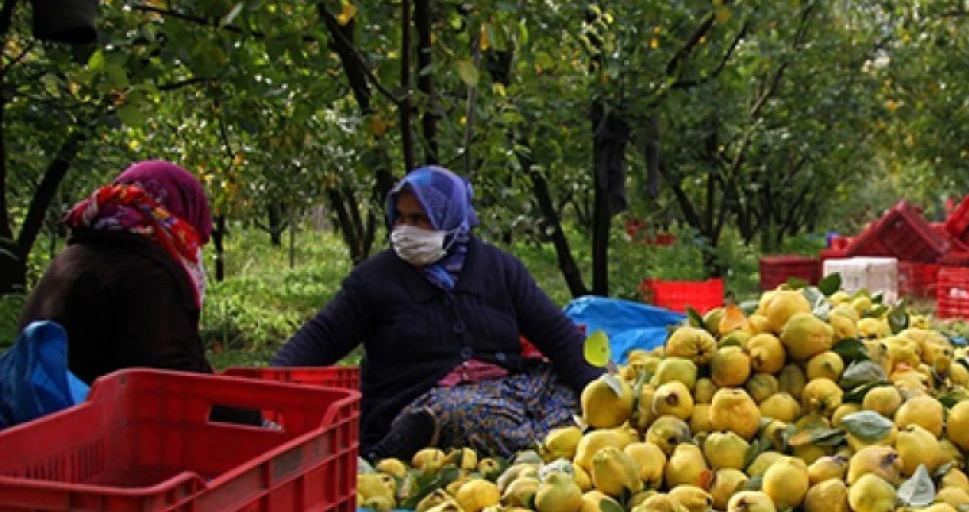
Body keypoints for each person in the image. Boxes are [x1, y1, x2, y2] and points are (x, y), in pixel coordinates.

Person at [273, 166, 604, 459]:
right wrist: (270, 382)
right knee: (459, 413)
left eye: (418, 219)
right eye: (400, 218)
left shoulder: (498, 267)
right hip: (423, 401)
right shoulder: (375, 279)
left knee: (571, 390)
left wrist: (604, 389)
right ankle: (401, 445)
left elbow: (556, 334)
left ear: (450, 218)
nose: (405, 229)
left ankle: (542, 439)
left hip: (504, 390)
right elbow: (323, 335)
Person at [20, 160, 220, 384]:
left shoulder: (72, 257)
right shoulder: (146, 273)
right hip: (87, 413)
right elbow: (173, 376)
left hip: (40, 409)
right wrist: (253, 415)